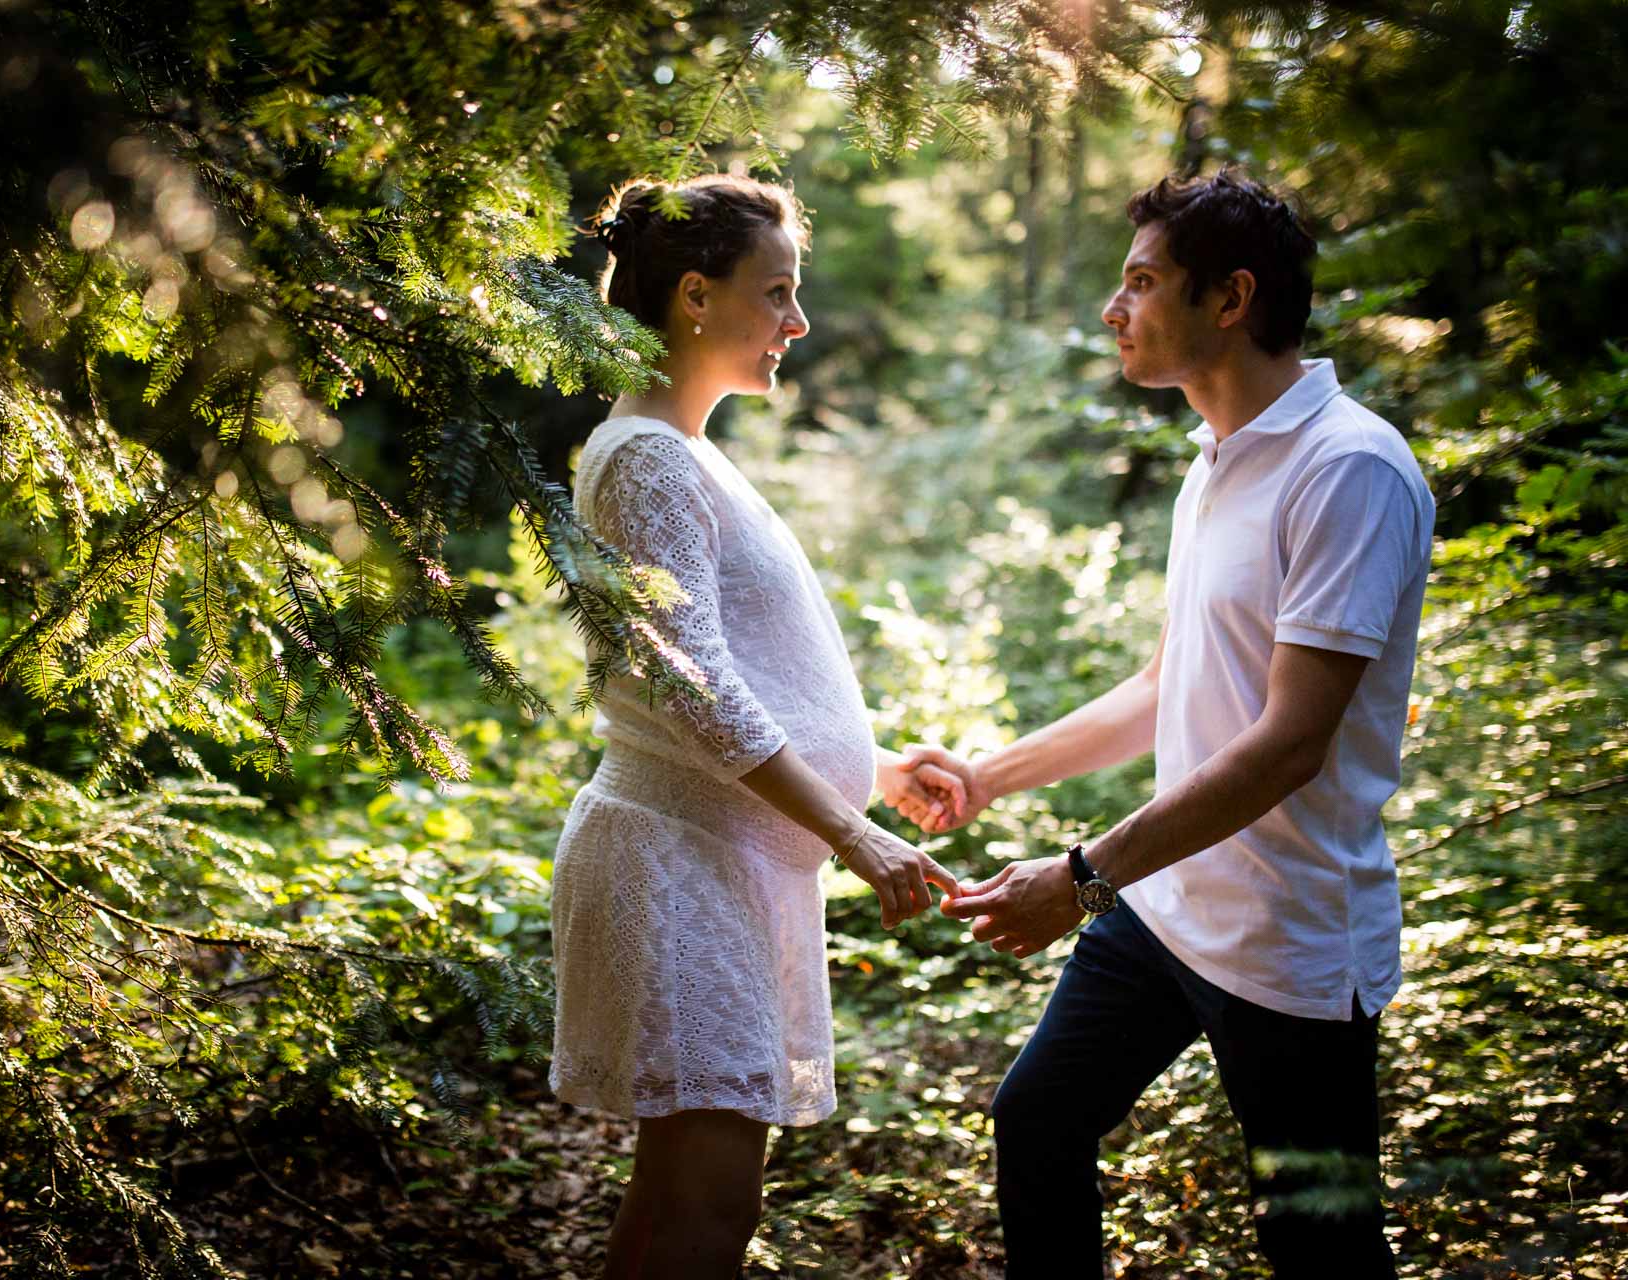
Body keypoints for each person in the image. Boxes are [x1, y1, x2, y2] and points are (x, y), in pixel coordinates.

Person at [904, 171, 1434, 1277]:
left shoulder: (1349, 469)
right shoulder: (1217, 458)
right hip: (1167, 905)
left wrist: (1081, 877)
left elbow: (1292, 742)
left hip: (1288, 940)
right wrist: (992, 777)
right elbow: (1167, 682)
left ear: (1230, 298)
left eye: (1142, 281)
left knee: (1321, 1242)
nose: (1115, 307)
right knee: (1037, 1121)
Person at [549, 174, 966, 1280]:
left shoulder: (683, 451)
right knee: (708, 1198)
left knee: (690, 1192)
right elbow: (689, 683)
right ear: (695, 294)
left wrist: (869, 768)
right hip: (675, 860)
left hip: (714, 857)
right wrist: (854, 833)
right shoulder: (645, 457)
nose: (799, 321)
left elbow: (738, 678)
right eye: (777, 292)